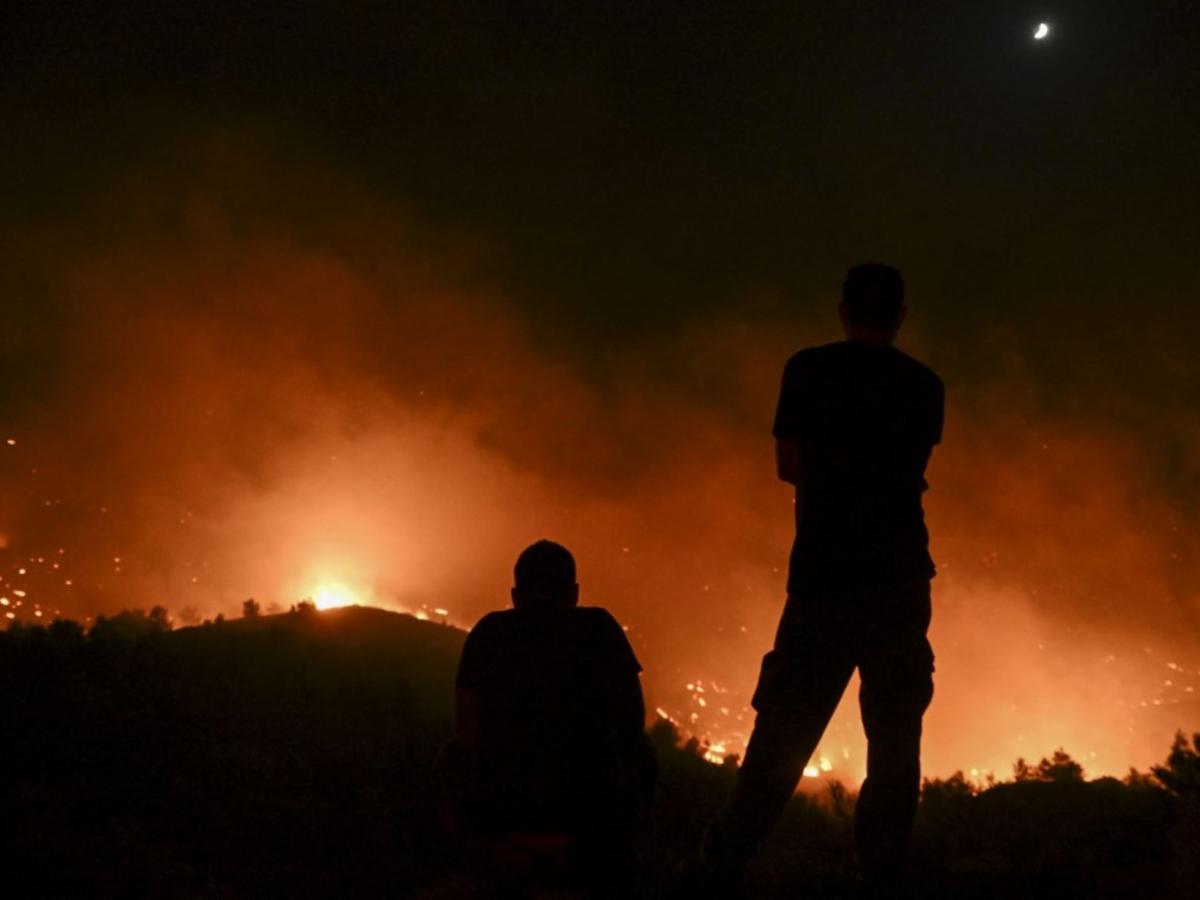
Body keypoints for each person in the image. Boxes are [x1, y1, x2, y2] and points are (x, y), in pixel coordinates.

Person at [702, 263, 944, 894]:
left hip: (824, 577)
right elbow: (909, 467)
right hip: (898, 579)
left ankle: (725, 860)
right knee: (895, 738)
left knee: (784, 727)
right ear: (901, 317)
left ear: (842, 311)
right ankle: (881, 870)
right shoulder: (924, 386)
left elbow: (790, 467)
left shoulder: (807, 369)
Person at [454, 540, 656, 897]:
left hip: (504, 821)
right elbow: (632, 724)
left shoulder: (488, 634)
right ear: (575, 593)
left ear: (515, 595)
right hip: (591, 826)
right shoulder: (600, 629)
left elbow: (468, 732)